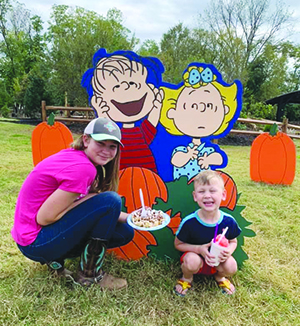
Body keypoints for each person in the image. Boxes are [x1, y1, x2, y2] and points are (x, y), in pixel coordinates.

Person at [11, 117, 134, 289]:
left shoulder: (77, 158)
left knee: (124, 232)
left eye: (112, 146)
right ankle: (89, 275)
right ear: (86, 140)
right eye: (100, 143)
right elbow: (45, 218)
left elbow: (85, 209)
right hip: (35, 242)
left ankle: (56, 262)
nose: (106, 151)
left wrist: (132, 217)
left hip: (31, 237)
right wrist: (93, 198)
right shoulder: (83, 168)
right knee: (111, 199)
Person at [82, 49, 164, 173]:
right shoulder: (113, 137)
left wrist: (156, 105)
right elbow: (105, 126)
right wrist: (100, 111)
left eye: (133, 83)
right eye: (116, 86)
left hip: (148, 179)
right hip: (120, 179)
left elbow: (152, 121)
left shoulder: (141, 133)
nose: (127, 88)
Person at [160, 65, 241, 180]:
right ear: (172, 113)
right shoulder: (182, 149)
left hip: (203, 189)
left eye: (209, 106)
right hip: (181, 186)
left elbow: (220, 159)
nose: (201, 110)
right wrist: (188, 155)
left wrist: (208, 160)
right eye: (193, 106)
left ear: (225, 110)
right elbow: (175, 161)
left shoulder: (208, 150)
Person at [174, 170, 241, 296]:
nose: (207, 195)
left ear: (223, 195)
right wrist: (199, 249)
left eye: (213, 190)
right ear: (195, 196)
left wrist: (229, 251)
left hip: (218, 262)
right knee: (191, 261)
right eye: (201, 191)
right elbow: (178, 244)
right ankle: (187, 278)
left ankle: (220, 277)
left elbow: (233, 241)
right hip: (195, 259)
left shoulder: (228, 221)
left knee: (232, 266)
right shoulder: (189, 222)